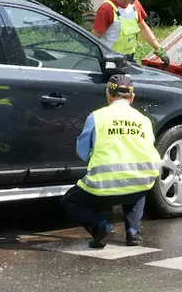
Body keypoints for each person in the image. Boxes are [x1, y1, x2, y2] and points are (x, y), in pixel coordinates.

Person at [61, 74, 162, 248]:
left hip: (103, 187)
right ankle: (133, 233)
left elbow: (82, 151)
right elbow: (148, 146)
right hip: (139, 184)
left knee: (70, 201)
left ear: (108, 94)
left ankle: (101, 226)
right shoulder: (144, 120)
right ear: (132, 97)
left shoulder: (97, 117)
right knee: (138, 187)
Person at [92, 0, 169, 65]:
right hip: (111, 61)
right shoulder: (106, 9)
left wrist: (159, 50)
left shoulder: (135, 5)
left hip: (130, 59)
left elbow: (143, 28)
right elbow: (93, 39)